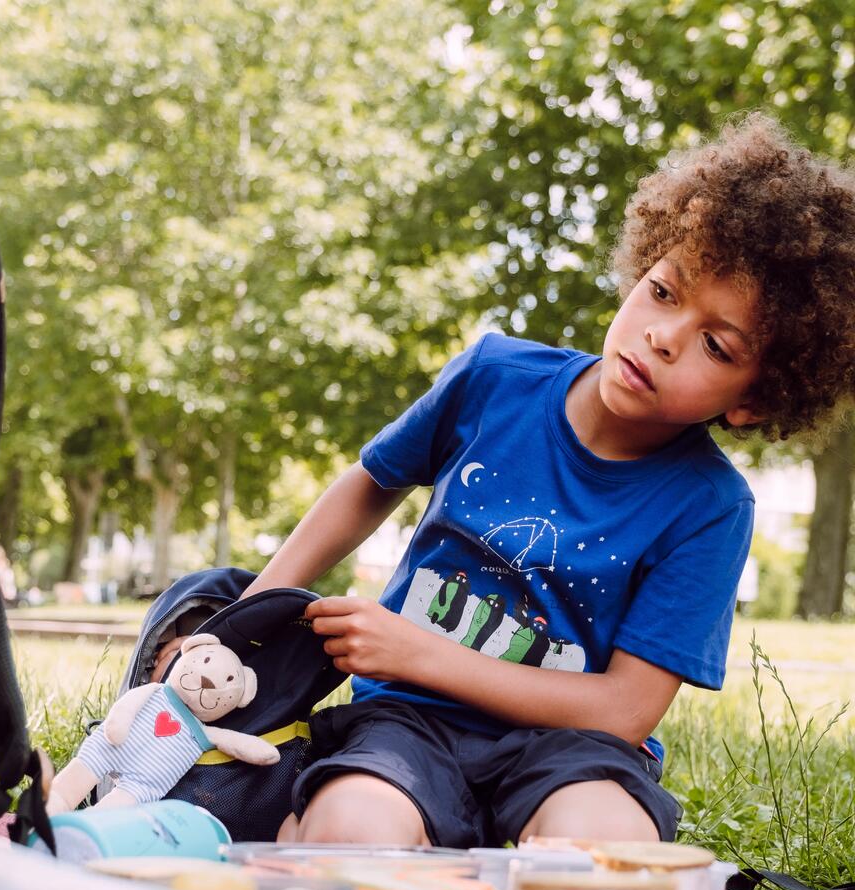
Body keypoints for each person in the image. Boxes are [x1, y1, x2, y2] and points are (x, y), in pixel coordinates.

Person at [154, 113, 855, 848]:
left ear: (754, 398)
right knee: (349, 830)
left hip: (572, 750)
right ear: (640, 266)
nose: (663, 336)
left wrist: (422, 651)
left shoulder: (711, 507)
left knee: (610, 850)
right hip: (403, 724)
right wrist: (241, 624)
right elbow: (371, 480)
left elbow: (624, 709)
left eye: (715, 344)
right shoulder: (493, 378)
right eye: (664, 292)